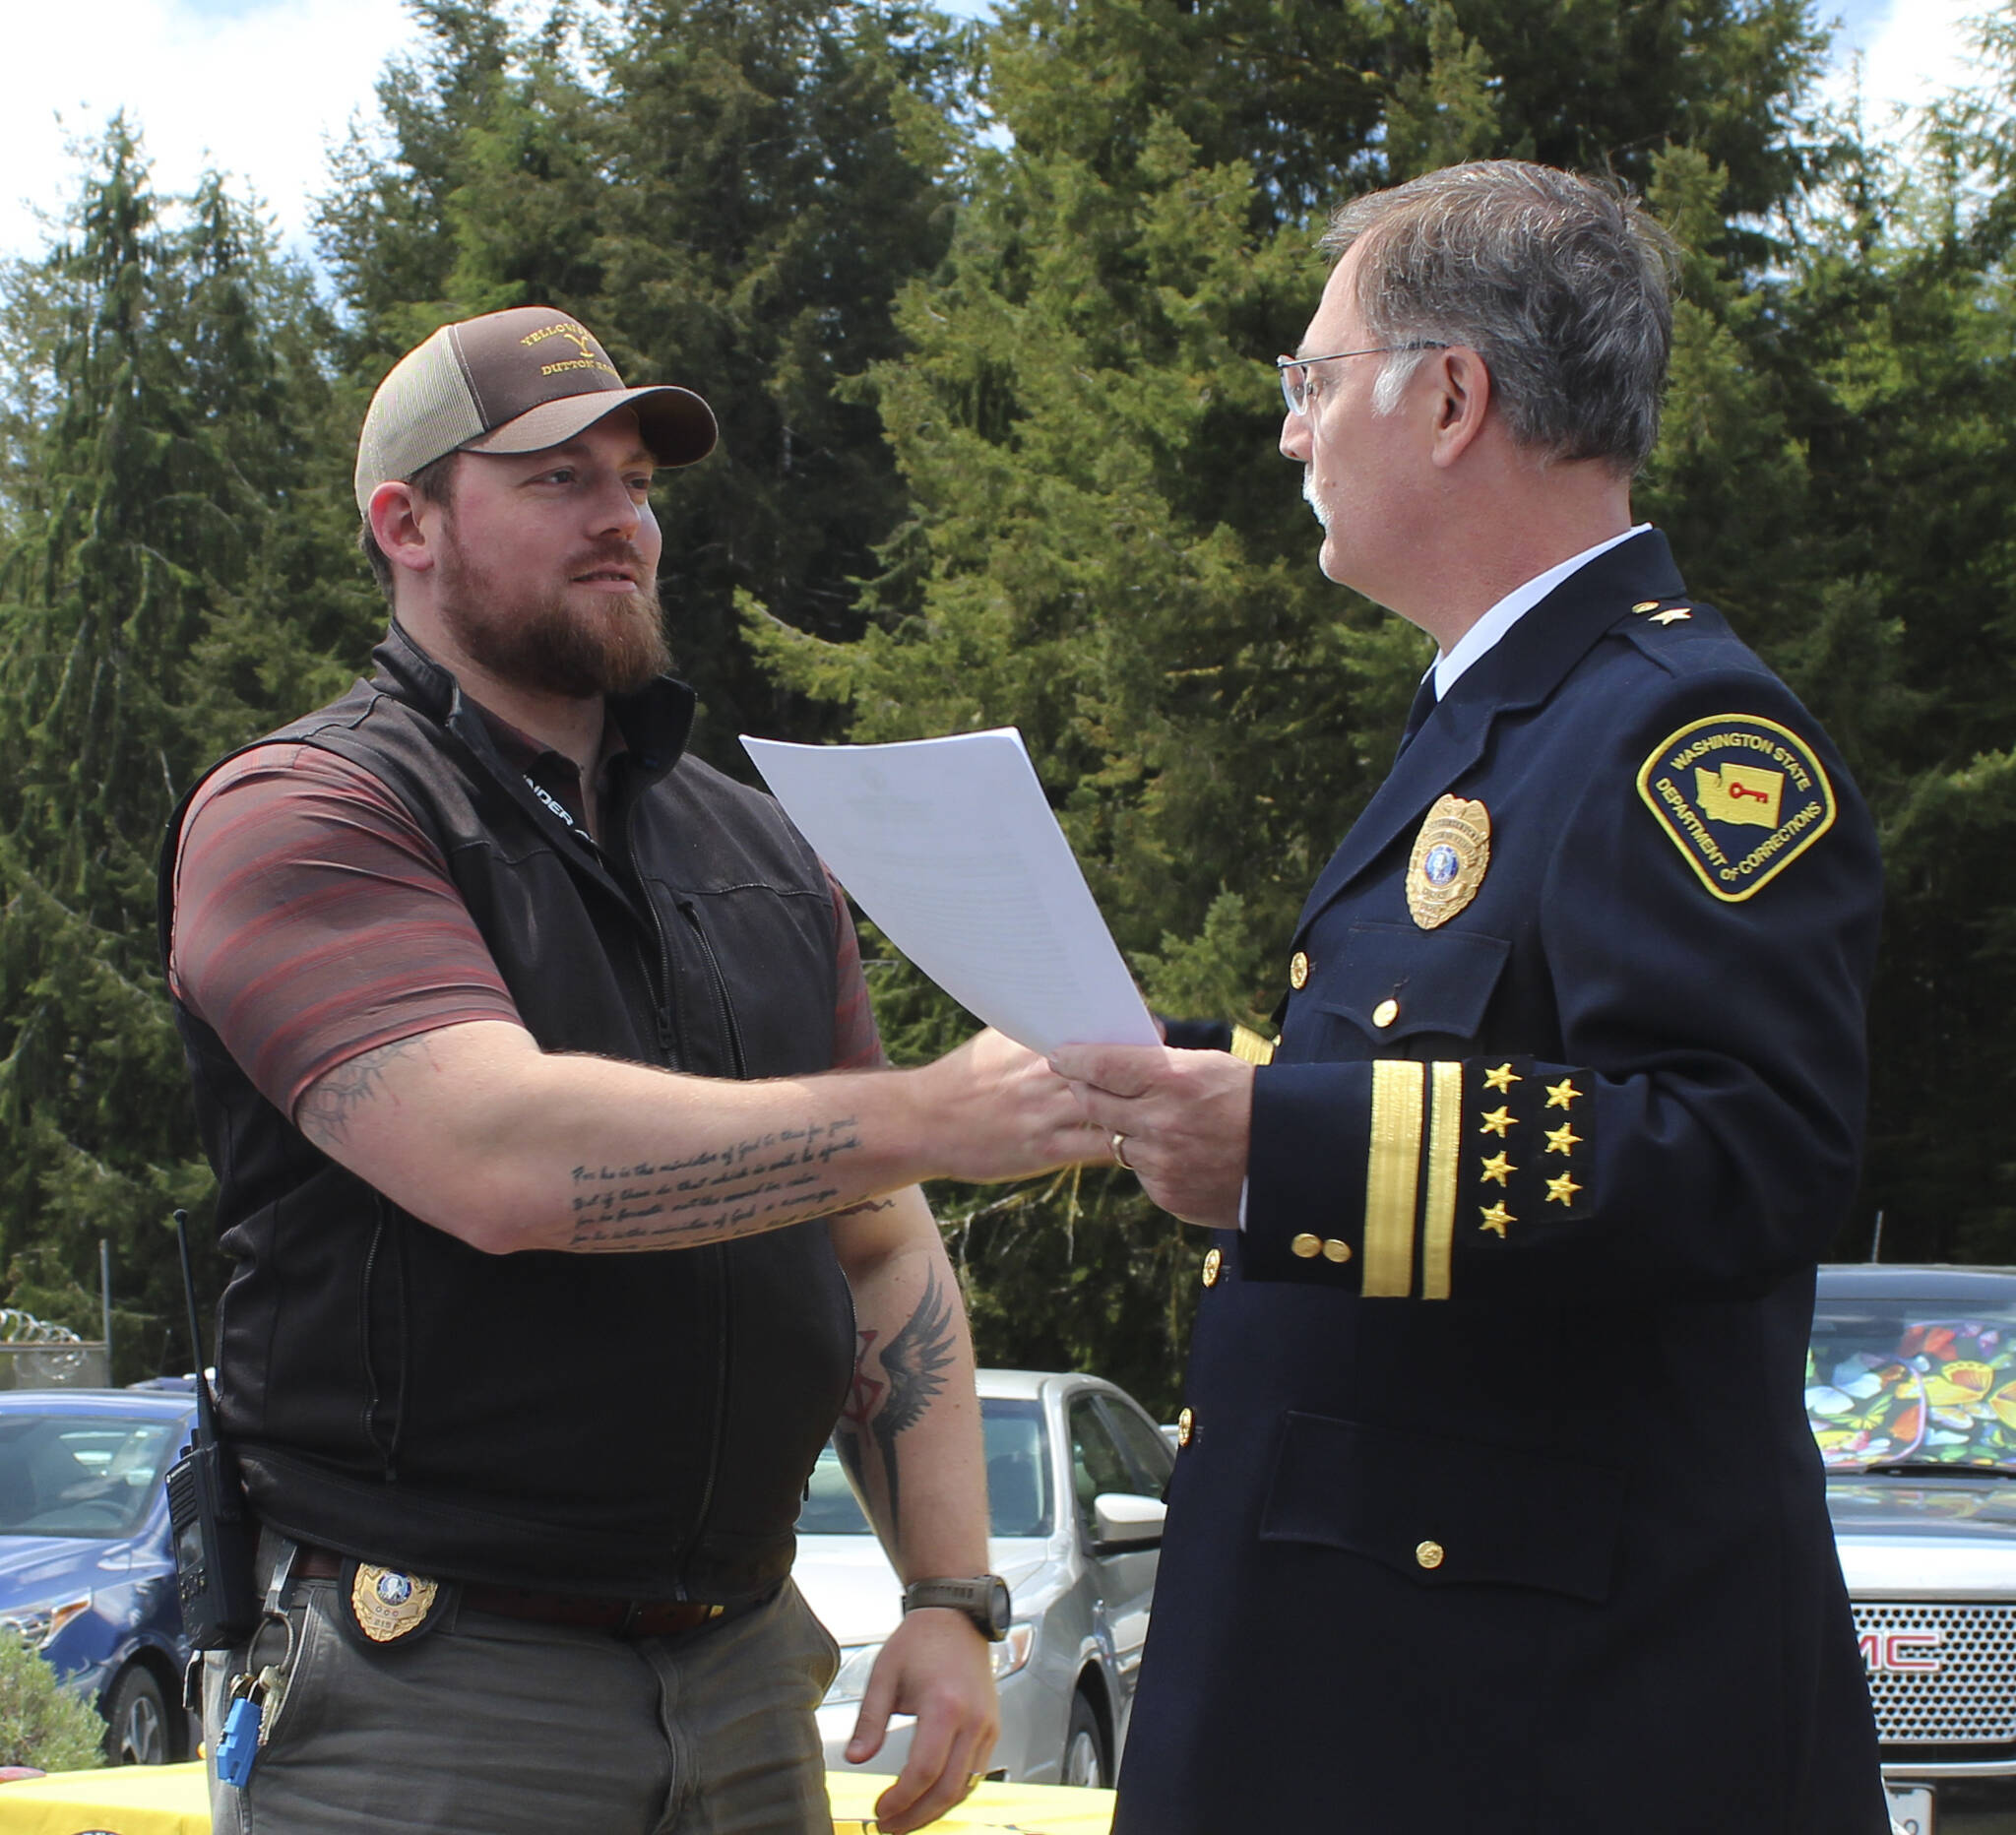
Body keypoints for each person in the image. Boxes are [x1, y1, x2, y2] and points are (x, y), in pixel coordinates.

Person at [159, 306, 1102, 1835]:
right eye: (555, 482)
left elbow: (877, 1233)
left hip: (744, 1675)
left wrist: (949, 1595)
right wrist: (936, 1109)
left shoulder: (754, 846)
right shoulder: (305, 810)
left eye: (638, 483)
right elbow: (499, 1158)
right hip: (435, 1690)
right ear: (405, 522)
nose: (622, 523)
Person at [1054, 163, 1894, 1833]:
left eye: (1310, 380)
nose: (1292, 434)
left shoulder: (1683, 731)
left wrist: (1285, 1146)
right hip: (1399, 1680)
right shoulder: (1494, 721)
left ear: (1448, 397)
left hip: (1548, 1724)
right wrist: (1199, 1090)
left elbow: (1748, 1157)